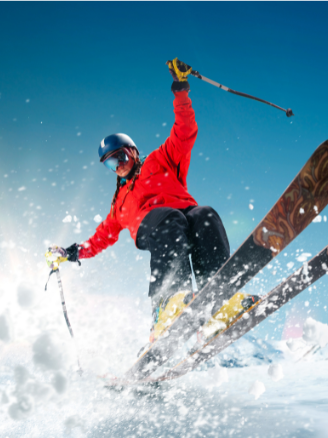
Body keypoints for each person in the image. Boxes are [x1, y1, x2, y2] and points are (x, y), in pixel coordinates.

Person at [64, 58, 245, 344]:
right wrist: (72, 252)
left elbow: (184, 132)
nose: (119, 166)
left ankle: (220, 300)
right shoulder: (120, 203)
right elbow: (101, 238)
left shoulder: (160, 160)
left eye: (121, 157)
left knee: (205, 215)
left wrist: (181, 91)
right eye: (111, 165)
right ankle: (168, 304)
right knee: (170, 219)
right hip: (155, 226)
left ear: (133, 152)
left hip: (184, 213)